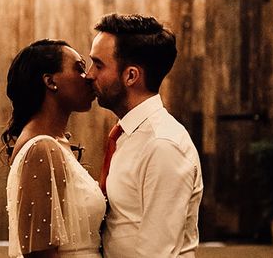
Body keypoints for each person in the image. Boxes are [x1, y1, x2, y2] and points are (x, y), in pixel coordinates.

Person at [87, 14, 203, 258]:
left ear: (131, 76)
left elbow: (156, 252)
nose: (89, 75)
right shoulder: (126, 134)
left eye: (98, 65)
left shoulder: (163, 146)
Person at [3, 39, 106, 258]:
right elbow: (40, 253)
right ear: (50, 81)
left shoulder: (54, 142)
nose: (88, 76)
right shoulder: (41, 148)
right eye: (79, 68)